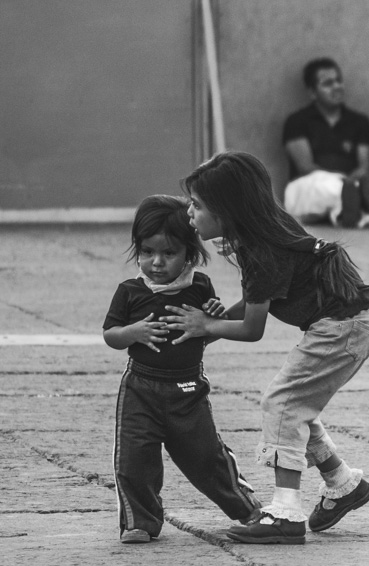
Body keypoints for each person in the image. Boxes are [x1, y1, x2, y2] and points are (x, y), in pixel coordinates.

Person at [162, 151, 369, 545]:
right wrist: (204, 331)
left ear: (227, 211)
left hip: (343, 327)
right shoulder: (262, 233)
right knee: (296, 403)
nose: (189, 213)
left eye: (197, 205)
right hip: (350, 322)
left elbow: (252, 328)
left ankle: (285, 513)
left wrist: (206, 325)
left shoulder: (261, 251)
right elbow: (254, 301)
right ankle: (342, 482)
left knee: (282, 403)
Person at [103, 195, 261, 544]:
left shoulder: (199, 286)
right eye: (147, 252)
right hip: (140, 388)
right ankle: (140, 522)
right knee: (133, 459)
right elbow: (111, 335)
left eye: (169, 253)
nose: (157, 262)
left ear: (189, 253)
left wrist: (212, 317)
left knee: (207, 457)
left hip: (188, 388)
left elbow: (209, 330)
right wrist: (133, 332)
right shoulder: (130, 291)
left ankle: (247, 509)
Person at [282, 57, 369, 228]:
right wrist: (341, 181)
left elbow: (364, 166)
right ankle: (350, 206)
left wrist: (354, 180)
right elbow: (305, 167)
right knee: (326, 188)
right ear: (312, 92)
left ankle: (347, 209)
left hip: (352, 181)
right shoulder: (296, 121)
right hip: (310, 185)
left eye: (339, 81)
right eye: (328, 83)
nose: (337, 86)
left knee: (352, 188)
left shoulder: (360, 121)